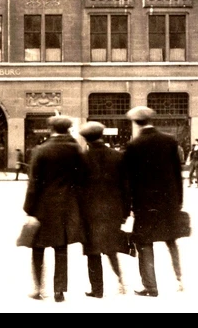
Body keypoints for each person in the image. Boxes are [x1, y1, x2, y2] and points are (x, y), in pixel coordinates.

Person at [122, 106, 184, 297]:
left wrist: (128, 206)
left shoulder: (134, 146)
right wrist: (178, 201)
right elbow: (177, 174)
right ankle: (179, 279)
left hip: (144, 204)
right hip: (169, 202)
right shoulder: (169, 141)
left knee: (145, 244)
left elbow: (128, 180)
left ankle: (151, 286)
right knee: (171, 240)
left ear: (135, 122)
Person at [23, 115, 85, 303]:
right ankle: (59, 291)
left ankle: (38, 288)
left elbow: (34, 183)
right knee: (61, 248)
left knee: (38, 248)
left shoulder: (41, 150)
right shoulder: (76, 150)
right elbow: (82, 179)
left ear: (51, 129)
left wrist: (29, 208)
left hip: (43, 207)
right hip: (66, 206)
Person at [79, 121, 128, 298]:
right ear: (102, 135)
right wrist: (125, 212)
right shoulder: (117, 156)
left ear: (86, 139)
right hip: (113, 210)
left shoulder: (82, 158)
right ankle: (121, 279)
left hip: (89, 213)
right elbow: (125, 186)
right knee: (111, 247)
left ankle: (97, 289)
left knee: (92, 251)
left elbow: (77, 188)